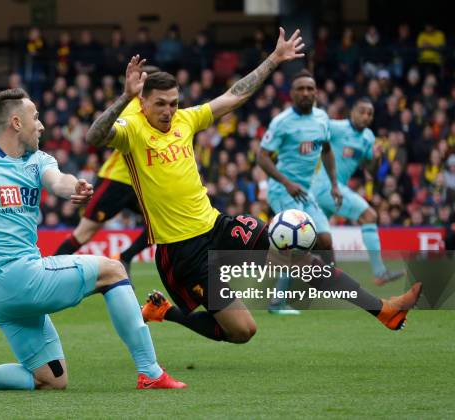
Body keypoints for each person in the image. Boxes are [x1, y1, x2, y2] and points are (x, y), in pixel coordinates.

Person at [85, 30, 421, 345]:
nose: (169, 111)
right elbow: (94, 136)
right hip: (182, 252)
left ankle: (383, 310)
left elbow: (235, 95)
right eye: (161, 103)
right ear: (142, 102)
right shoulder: (132, 130)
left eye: (174, 102)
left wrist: (274, 59)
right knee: (243, 332)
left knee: (298, 259)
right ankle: (165, 312)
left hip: (218, 226)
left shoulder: (185, 120)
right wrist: (123, 97)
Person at [0, 88, 186, 391]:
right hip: (19, 278)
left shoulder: (39, 160)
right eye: (36, 117)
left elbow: (58, 181)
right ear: (16, 123)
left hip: (2, 295)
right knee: (114, 270)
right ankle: (150, 372)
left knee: (52, 379)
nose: (41, 125)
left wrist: (74, 189)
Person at [54, 67, 162, 274]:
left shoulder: (161, 113)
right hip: (116, 181)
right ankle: (47, 271)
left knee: (159, 223)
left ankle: (125, 257)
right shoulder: (132, 109)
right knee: (84, 234)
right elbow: (108, 136)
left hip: (141, 184)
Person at [257, 69, 341, 315]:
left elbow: (326, 150)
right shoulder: (281, 122)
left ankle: (333, 284)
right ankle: (276, 302)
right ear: (292, 94)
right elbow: (261, 157)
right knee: (292, 241)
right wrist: (285, 182)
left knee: (324, 240)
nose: (305, 93)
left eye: (310, 89)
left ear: (316, 92)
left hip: (305, 191)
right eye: (300, 89)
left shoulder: (322, 119)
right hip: (282, 189)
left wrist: (335, 184)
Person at [310, 97, 405, 285]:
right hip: (326, 187)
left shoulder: (368, 137)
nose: (366, 116)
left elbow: (371, 171)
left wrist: (377, 158)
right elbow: (315, 127)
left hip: (330, 191)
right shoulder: (337, 127)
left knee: (309, 241)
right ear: (352, 111)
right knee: (369, 215)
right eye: (362, 111)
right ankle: (380, 272)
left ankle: (279, 295)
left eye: (369, 113)